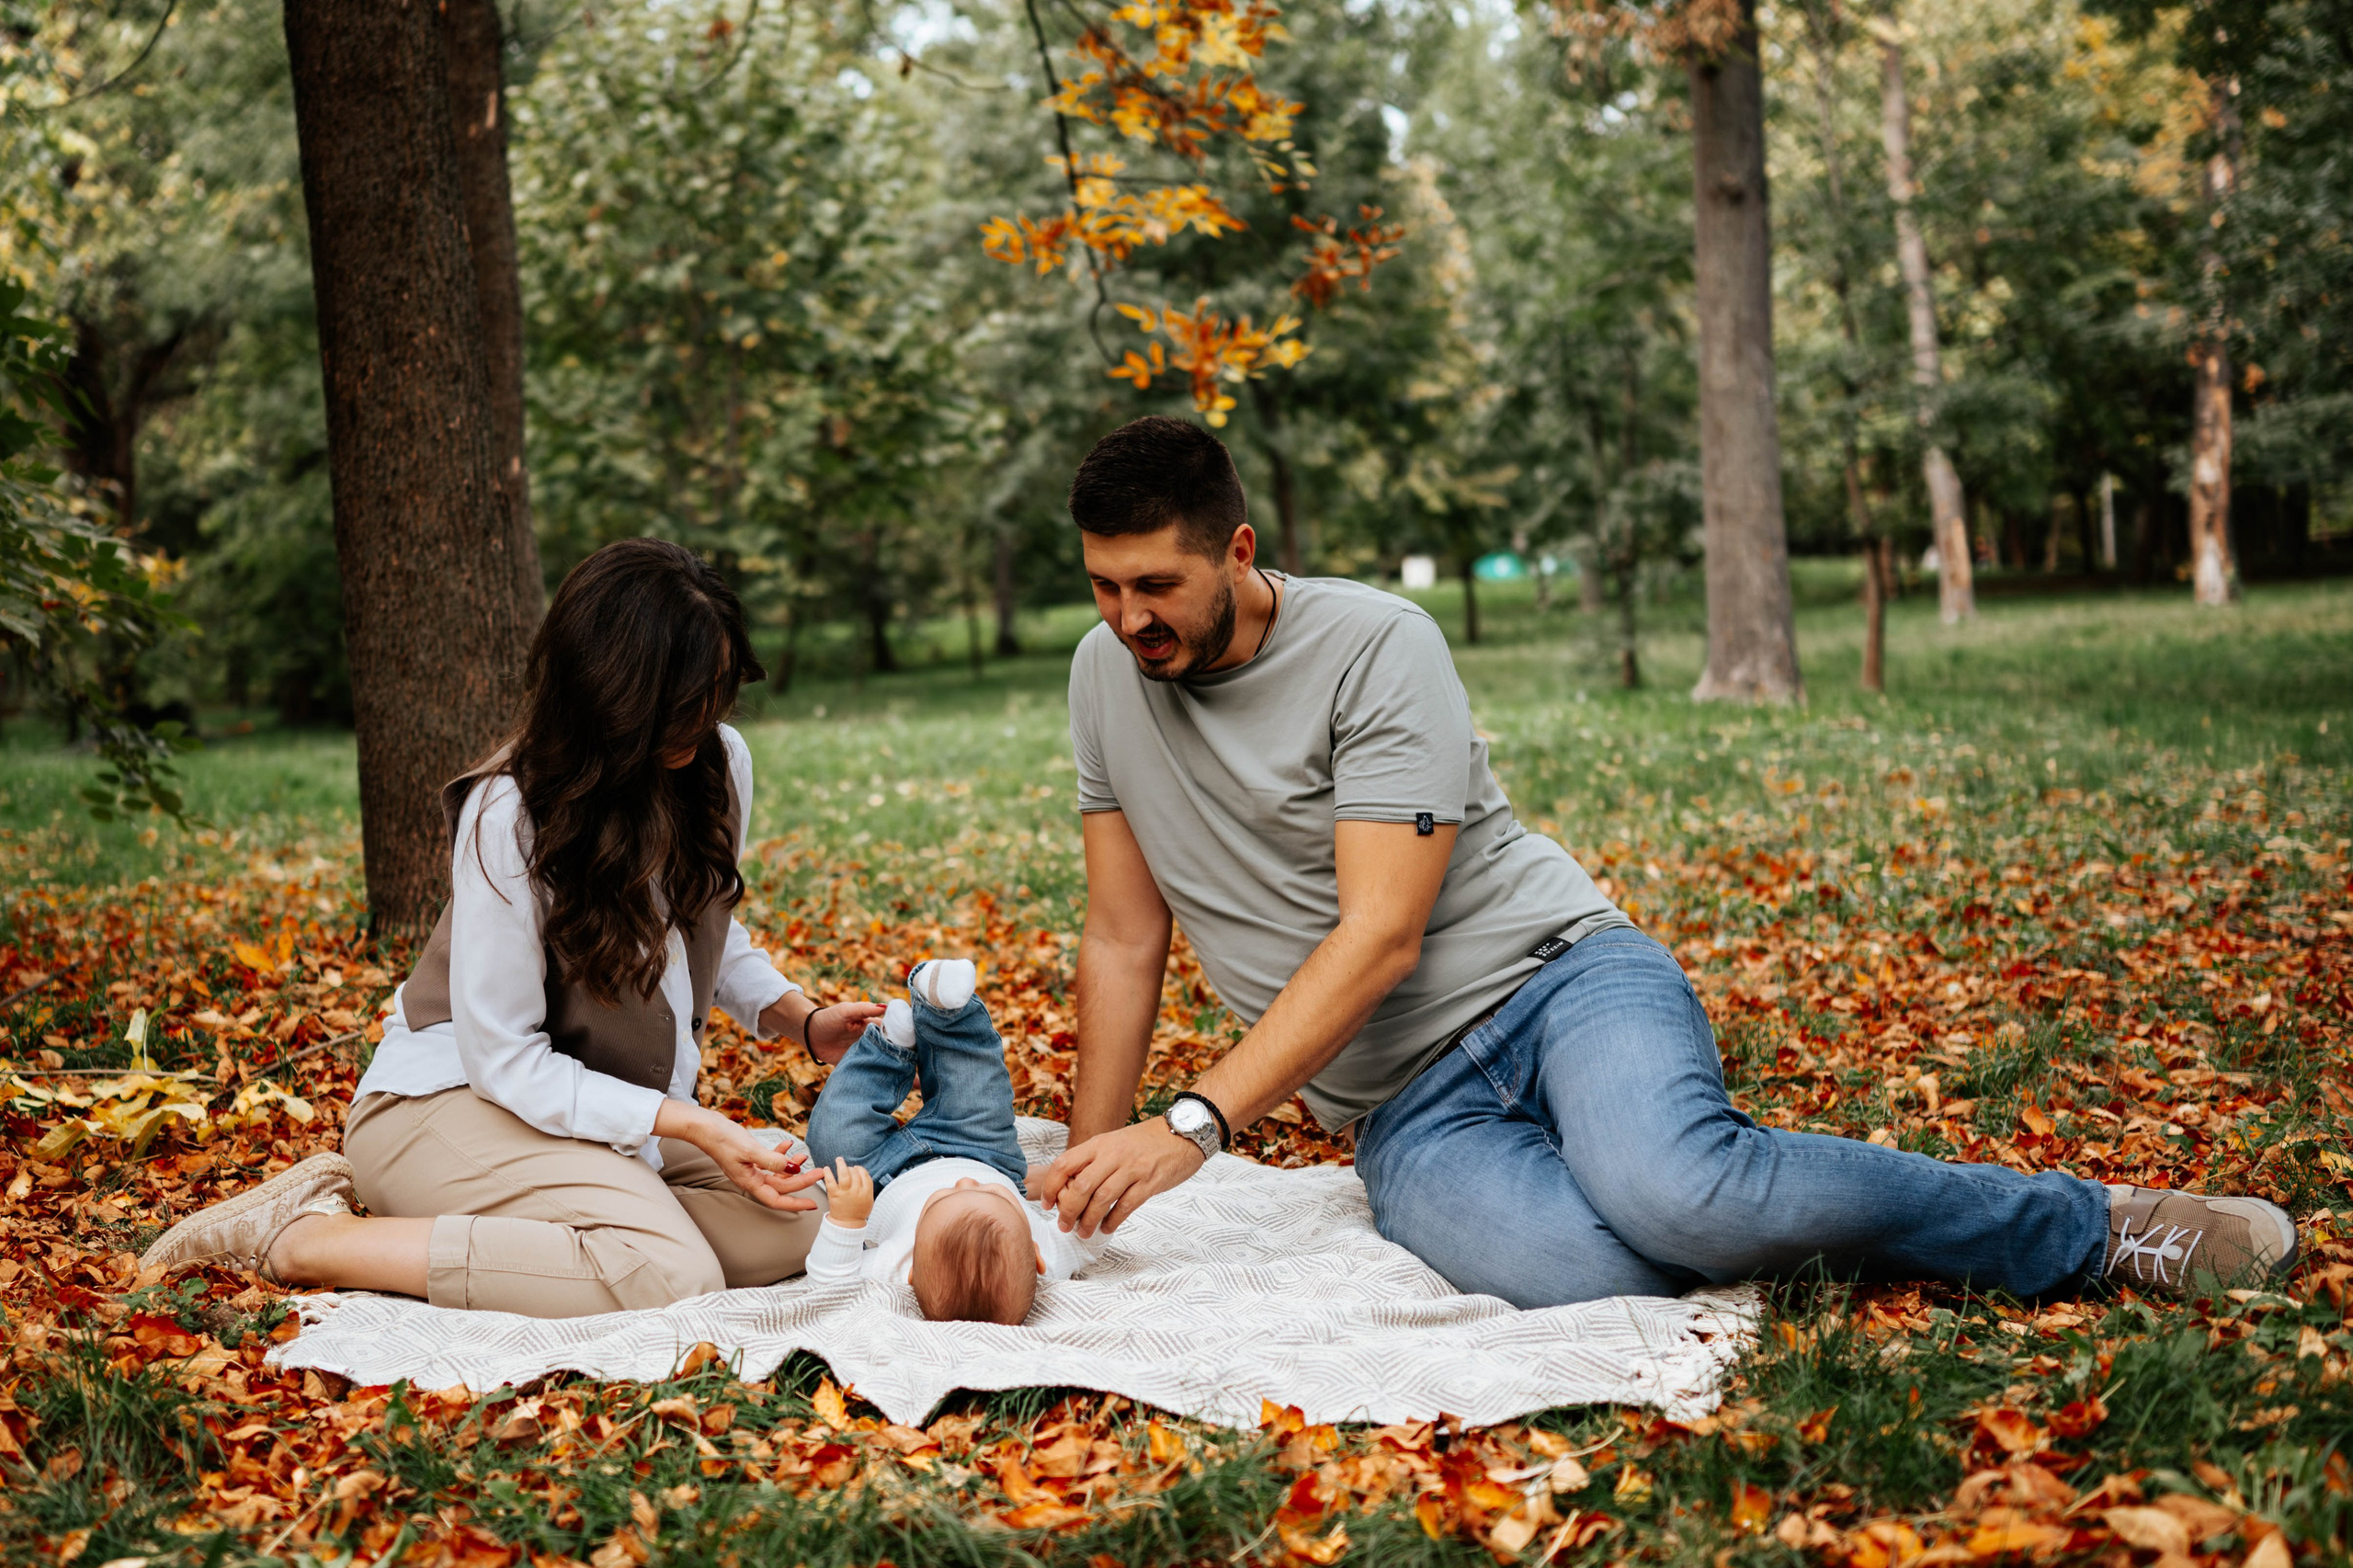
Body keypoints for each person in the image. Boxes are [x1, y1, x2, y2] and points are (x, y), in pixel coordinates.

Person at [1030, 415, 2299, 1307]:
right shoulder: (1105, 678)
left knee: (1684, 1196)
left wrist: (1192, 1123)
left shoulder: (1378, 644)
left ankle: (2091, 1225)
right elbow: (1123, 934)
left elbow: (1382, 934)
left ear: (1239, 554)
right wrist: (1090, 1179)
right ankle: (1746, 1197)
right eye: (1103, 587)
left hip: (1556, 980)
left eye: (1157, 584)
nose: (1129, 619)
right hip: (1400, 1102)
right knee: (1604, 1271)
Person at [140, 539, 887, 1316]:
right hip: (448, 1103)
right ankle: (307, 1238)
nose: (708, 715)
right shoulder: (512, 813)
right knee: (675, 1276)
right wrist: (686, 1121)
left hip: (592, 1114)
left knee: (806, 1217)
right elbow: (503, 1059)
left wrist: (800, 1020)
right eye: (686, 699)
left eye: (717, 691)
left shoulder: (716, 762)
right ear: (614, 695)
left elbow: (699, 924)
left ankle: (605, 1243)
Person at [804, 960, 1100, 1323]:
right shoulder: (1051, 1256)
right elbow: (1087, 1239)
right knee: (977, 1085)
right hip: (979, 1149)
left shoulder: (895, 1267)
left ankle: (887, 1050)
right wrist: (1084, 1200)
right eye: (991, 1193)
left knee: (833, 1136)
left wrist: (846, 1221)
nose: (962, 1182)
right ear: (1037, 1256)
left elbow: (828, 1284)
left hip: (880, 1177)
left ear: (910, 1274)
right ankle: (945, 1010)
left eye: (941, 1199)